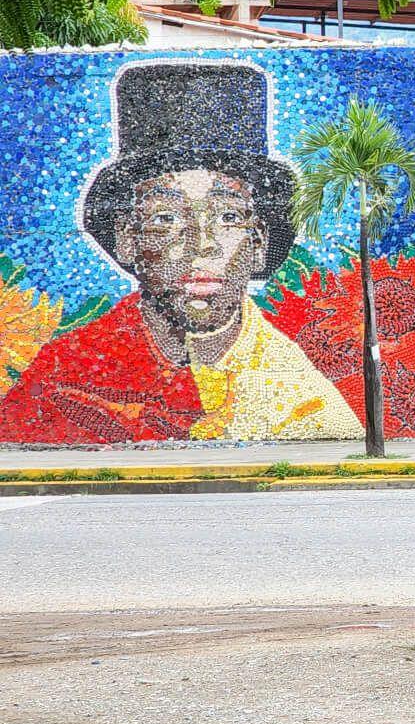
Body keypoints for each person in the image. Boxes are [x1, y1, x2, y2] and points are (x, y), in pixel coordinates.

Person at [0, 62, 361, 443]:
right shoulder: (66, 372)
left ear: (259, 244)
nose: (202, 242)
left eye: (228, 216)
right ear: (128, 239)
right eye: (167, 217)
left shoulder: (302, 397)